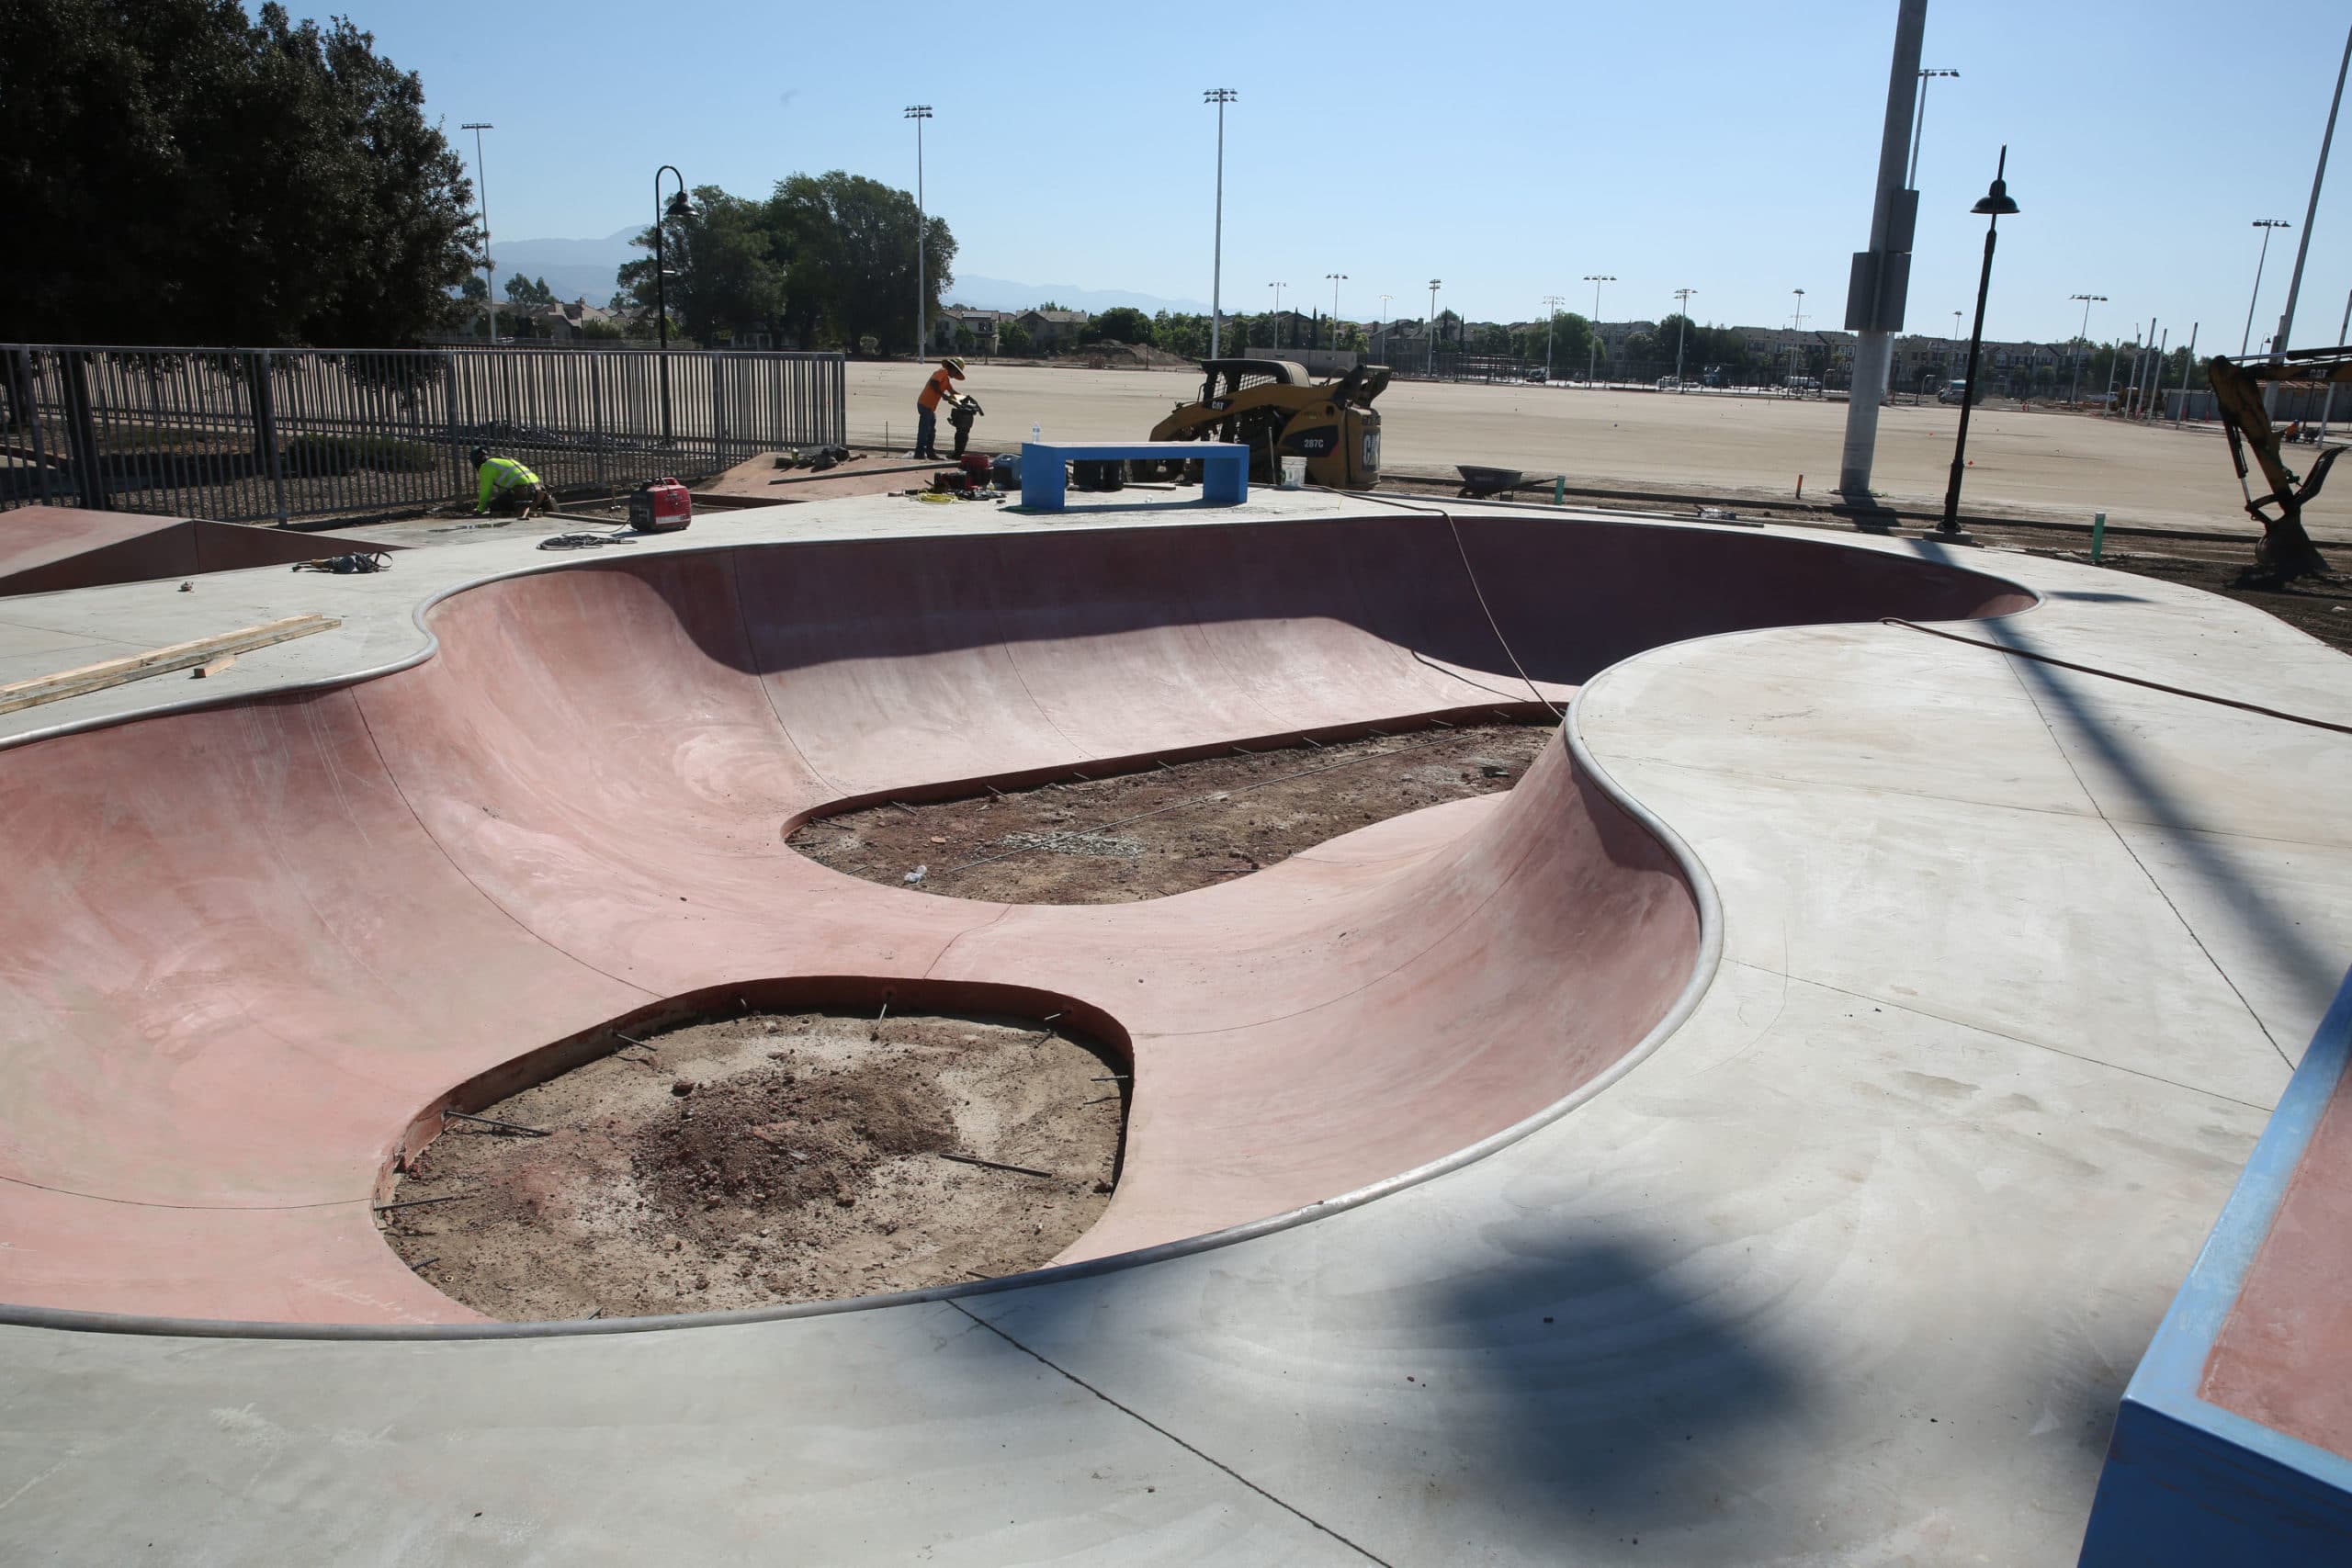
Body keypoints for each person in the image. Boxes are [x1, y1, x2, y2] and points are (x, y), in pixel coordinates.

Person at [470, 447, 558, 515]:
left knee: (495, 505)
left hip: (526, 494)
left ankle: (520, 511)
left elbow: (486, 491)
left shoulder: (486, 466)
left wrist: (480, 509)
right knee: (503, 499)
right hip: (541, 492)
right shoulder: (505, 459)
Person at [914, 356, 966, 460]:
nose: (955, 375)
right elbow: (934, 383)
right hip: (925, 404)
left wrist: (965, 399)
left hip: (930, 406)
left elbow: (952, 392)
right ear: (954, 368)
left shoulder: (946, 379)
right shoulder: (942, 371)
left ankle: (930, 452)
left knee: (931, 430)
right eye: (956, 372)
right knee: (925, 430)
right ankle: (920, 453)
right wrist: (943, 395)